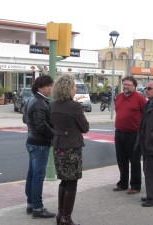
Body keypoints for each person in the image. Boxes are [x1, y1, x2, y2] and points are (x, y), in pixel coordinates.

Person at [51, 74, 89, 225]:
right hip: (72, 147)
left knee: (63, 182)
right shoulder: (74, 106)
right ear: (68, 88)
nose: (75, 89)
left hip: (58, 147)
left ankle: (60, 214)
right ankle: (67, 218)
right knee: (72, 183)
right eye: (74, 86)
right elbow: (85, 127)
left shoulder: (53, 105)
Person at [22, 75, 56, 219]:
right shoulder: (40, 103)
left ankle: (30, 204)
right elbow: (42, 125)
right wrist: (54, 135)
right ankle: (37, 207)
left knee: (32, 174)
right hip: (40, 143)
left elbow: (25, 119)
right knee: (38, 176)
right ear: (41, 87)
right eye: (49, 85)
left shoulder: (31, 99)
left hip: (31, 141)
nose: (51, 88)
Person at [113, 76, 147, 194]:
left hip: (134, 135)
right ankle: (122, 183)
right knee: (121, 160)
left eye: (128, 84)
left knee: (135, 161)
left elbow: (146, 115)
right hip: (119, 133)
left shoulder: (140, 99)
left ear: (134, 86)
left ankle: (135, 186)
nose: (126, 86)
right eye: (124, 84)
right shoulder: (118, 97)